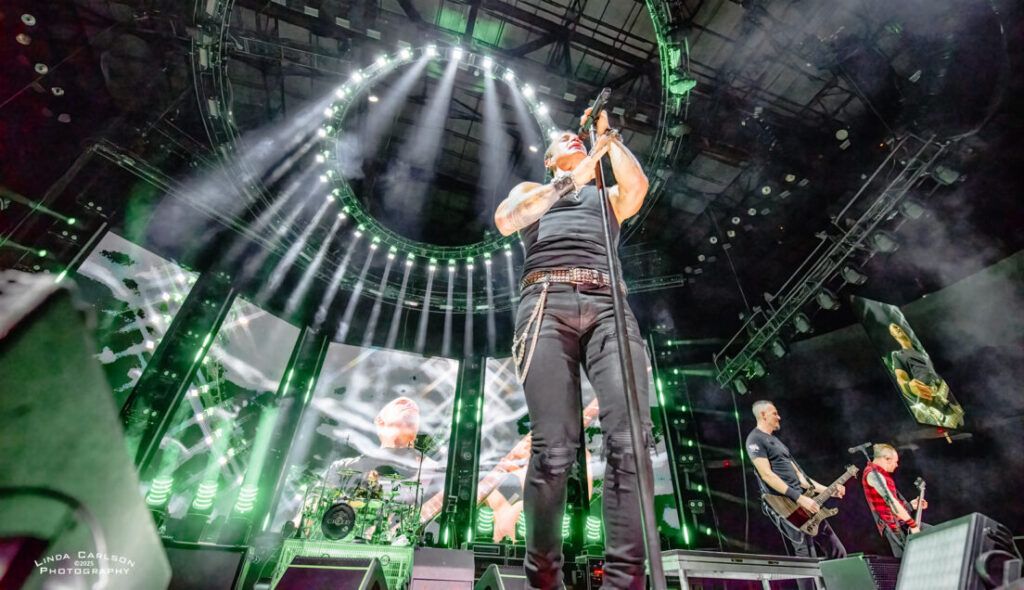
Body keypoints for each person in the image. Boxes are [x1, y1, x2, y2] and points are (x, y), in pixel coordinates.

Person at [493, 107, 654, 590]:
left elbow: (637, 188)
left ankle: (625, 582)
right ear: (549, 159)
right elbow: (507, 220)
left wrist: (609, 139)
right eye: (563, 140)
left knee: (632, 439)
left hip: (609, 304)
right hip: (547, 300)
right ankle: (544, 580)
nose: (573, 140)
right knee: (555, 448)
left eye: (577, 137)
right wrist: (572, 178)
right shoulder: (532, 189)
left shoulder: (606, 196)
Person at [746, 401, 847, 562]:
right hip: (788, 505)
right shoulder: (755, 439)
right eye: (774, 413)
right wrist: (799, 498)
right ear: (763, 415)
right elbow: (766, 475)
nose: (779, 417)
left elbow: (801, 477)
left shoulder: (776, 441)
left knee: (837, 551)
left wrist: (828, 490)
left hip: (805, 501)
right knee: (806, 553)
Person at [888, 323, 964, 428]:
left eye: (898, 326)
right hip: (929, 394)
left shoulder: (922, 352)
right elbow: (901, 378)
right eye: (894, 328)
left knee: (961, 421)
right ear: (892, 334)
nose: (898, 328)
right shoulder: (898, 355)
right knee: (946, 426)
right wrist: (909, 386)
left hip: (945, 389)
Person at [860, 443, 927, 557]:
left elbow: (890, 504)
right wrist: (913, 525)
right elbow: (891, 503)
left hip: (901, 524)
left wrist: (910, 506)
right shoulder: (873, 475)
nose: (897, 465)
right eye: (895, 461)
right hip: (894, 529)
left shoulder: (881, 475)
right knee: (908, 560)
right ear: (887, 459)